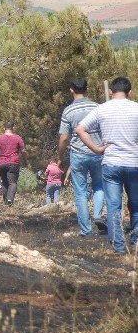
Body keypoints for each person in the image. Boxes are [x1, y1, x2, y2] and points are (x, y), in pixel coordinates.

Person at [77, 77, 138, 255]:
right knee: (135, 205)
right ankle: (135, 244)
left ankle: (118, 247)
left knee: (113, 205)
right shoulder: (136, 108)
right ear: (130, 92)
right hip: (134, 163)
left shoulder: (102, 109)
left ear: (111, 92)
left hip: (111, 163)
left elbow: (80, 129)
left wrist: (97, 149)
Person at [57, 77, 106, 237]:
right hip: (98, 153)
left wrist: (60, 157)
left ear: (71, 90)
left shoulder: (68, 111)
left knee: (80, 192)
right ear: (87, 89)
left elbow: (64, 138)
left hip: (78, 155)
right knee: (99, 186)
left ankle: (86, 230)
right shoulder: (97, 107)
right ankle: (98, 215)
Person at [0, 122, 27, 206]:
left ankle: (6, 203)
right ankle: (10, 199)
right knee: (12, 182)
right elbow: (23, 151)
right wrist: (25, 161)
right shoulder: (18, 138)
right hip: (13, 163)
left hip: (2, 164)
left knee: (4, 182)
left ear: (4, 129)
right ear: (13, 128)